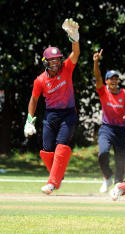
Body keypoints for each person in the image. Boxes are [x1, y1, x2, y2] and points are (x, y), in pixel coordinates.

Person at [24, 18, 80, 195]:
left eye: (57, 60)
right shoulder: (40, 80)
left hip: (68, 115)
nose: (56, 63)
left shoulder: (66, 69)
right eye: (52, 61)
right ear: (45, 62)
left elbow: (76, 54)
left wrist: (75, 38)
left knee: (61, 146)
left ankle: (52, 182)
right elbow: (33, 100)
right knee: (46, 151)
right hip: (50, 115)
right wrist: (29, 120)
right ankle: (57, 175)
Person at [93, 49, 125, 193]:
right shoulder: (103, 91)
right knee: (103, 153)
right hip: (106, 129)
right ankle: (107, 177)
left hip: (120, 130)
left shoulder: (124, 93)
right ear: (106, 81)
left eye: (116, 79)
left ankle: (118, 184)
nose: (114, 81)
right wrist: (96, 62)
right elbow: (98, 76)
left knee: (120, 160)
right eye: (111, 79)